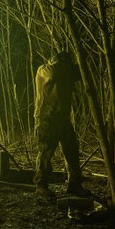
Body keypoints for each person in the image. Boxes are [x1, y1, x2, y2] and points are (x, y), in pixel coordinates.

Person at [33, 51, 90, 200]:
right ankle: (41, 187)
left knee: (71, 151)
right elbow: (58, 73)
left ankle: (74, 184)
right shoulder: (45, 70)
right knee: (45, 153)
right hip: (46, 118)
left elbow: (80, 73)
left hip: (62, 118)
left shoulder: (64, 72)